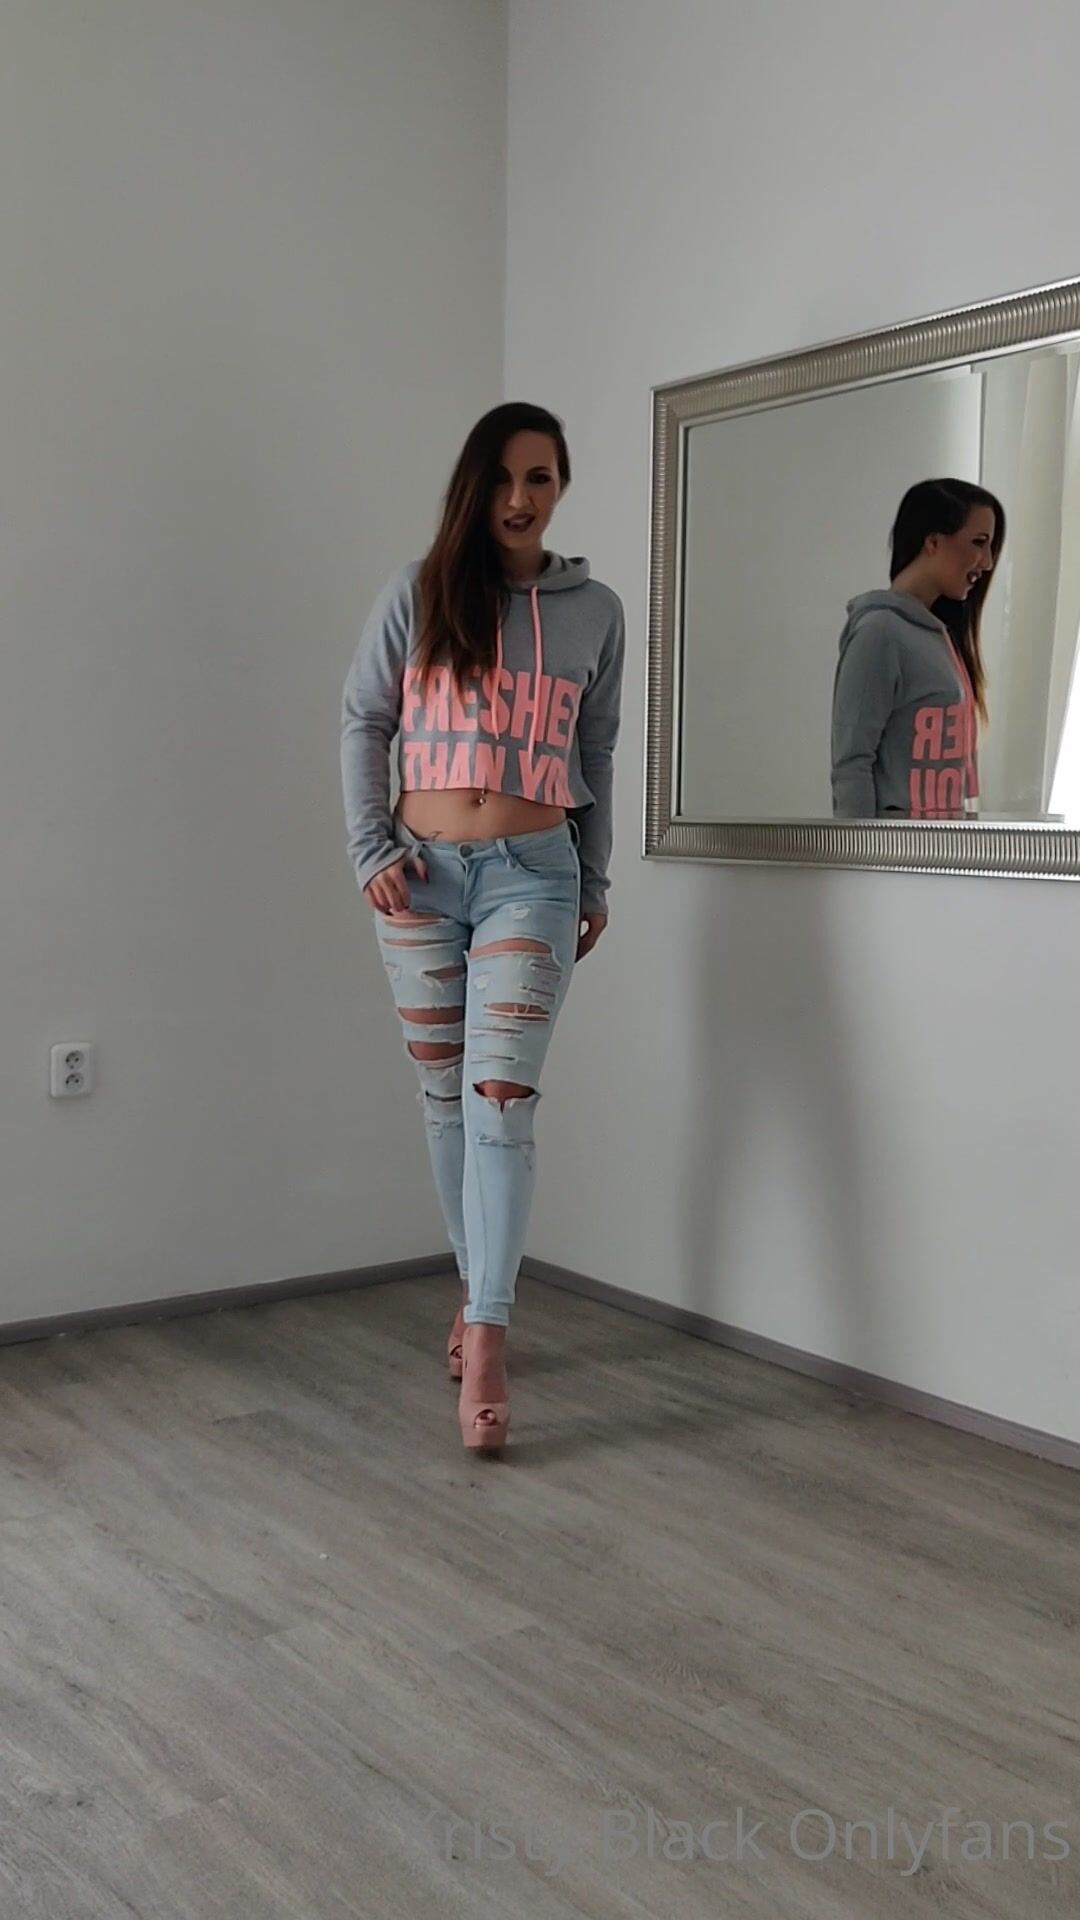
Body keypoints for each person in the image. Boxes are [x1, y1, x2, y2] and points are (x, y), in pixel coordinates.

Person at [341, 403, 625, 1452]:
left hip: (533, 876)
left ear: (561, 486)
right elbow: (365, 721)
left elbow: (598, 751)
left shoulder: (595, 611)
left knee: (500, 1098)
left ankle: (492, 1338)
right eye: (504, 477)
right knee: (445, 1100)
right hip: (421, 880)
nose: (520, 498)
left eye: (540, 478)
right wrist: (369, 849)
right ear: (475, 485)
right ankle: (473, 1291)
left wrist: (595, 879)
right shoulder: (417, 593)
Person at [831, 478, 1005, 819]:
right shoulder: (879, 633)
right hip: (893, 848)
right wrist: (860, 850)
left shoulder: (943, 636)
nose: (986, 562)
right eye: (978, 542)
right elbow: (852, 763)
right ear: (933, 541)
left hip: (939, 844)